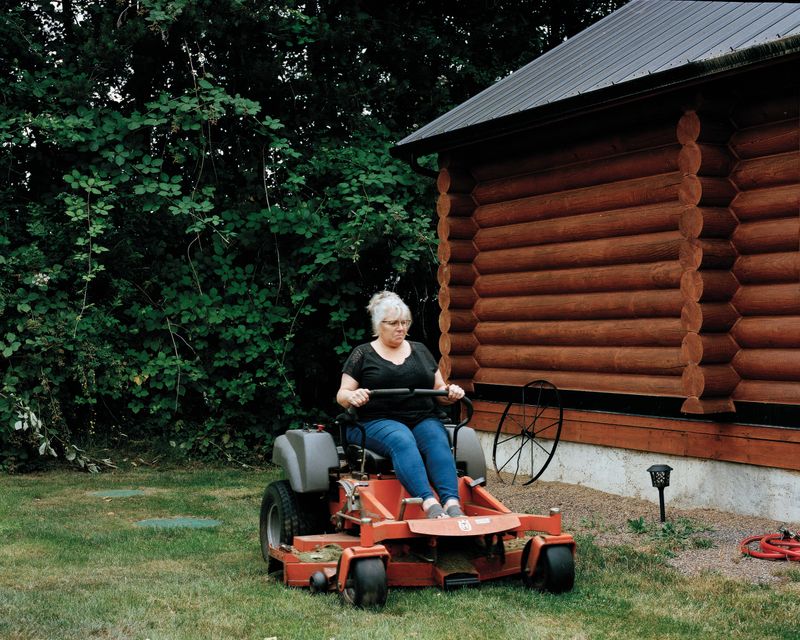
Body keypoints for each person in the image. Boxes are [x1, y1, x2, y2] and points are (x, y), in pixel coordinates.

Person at [336, 291, 466, 519]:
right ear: (379, 325)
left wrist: (450, 392)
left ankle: (452, 505)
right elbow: (342, 394)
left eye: (405, 322)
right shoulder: (362, 354)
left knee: (437, 438)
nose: (401, 328)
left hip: (421, 417)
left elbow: (439, 390)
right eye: (394, 323)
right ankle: (429, 505)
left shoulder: (421, 351)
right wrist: (353, 396)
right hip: (373, 421)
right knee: (402, 438)